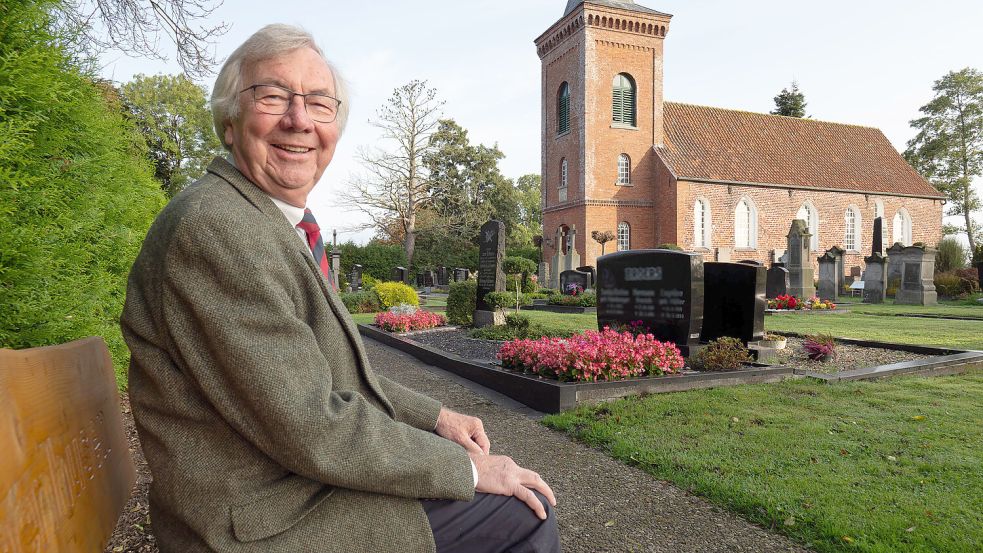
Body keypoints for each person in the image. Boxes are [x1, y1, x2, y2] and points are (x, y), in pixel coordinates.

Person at [121, 24, 559, 553]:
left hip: (284, 487)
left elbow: (330, 375)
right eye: (273, 95)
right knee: (521, 516)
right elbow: (309, 425)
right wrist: (465, 469)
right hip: (259, 522)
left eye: (319, 103)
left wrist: (435, 418)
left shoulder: (264, 219)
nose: (299, 119)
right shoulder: (218, 229)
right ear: (230, 121)